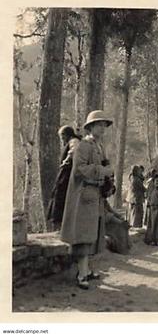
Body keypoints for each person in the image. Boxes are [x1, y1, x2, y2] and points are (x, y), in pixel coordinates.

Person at [60, 110, 114, 290]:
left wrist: (108, 181)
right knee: (84, 234)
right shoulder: (83, 145)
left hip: (95, 196)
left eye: (104, 125)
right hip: (84, 196)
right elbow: (80, 169)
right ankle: (81, 273)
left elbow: (104, 167)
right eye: (99, 124)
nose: (103, 128)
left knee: (93, 234)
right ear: (90, 127)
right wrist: (102, 171)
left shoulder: (99, 146)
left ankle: (87, 269)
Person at [47, 125, 81, 231]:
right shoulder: (72, 141)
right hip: (65, 176)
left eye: (62, 137)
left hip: (68, 177)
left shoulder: (74, 141)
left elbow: (74, 150)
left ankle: (61, 227)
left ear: (66, 135)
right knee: (58, 199)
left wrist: (66, 161)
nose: (62, 140)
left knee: (61, 199)